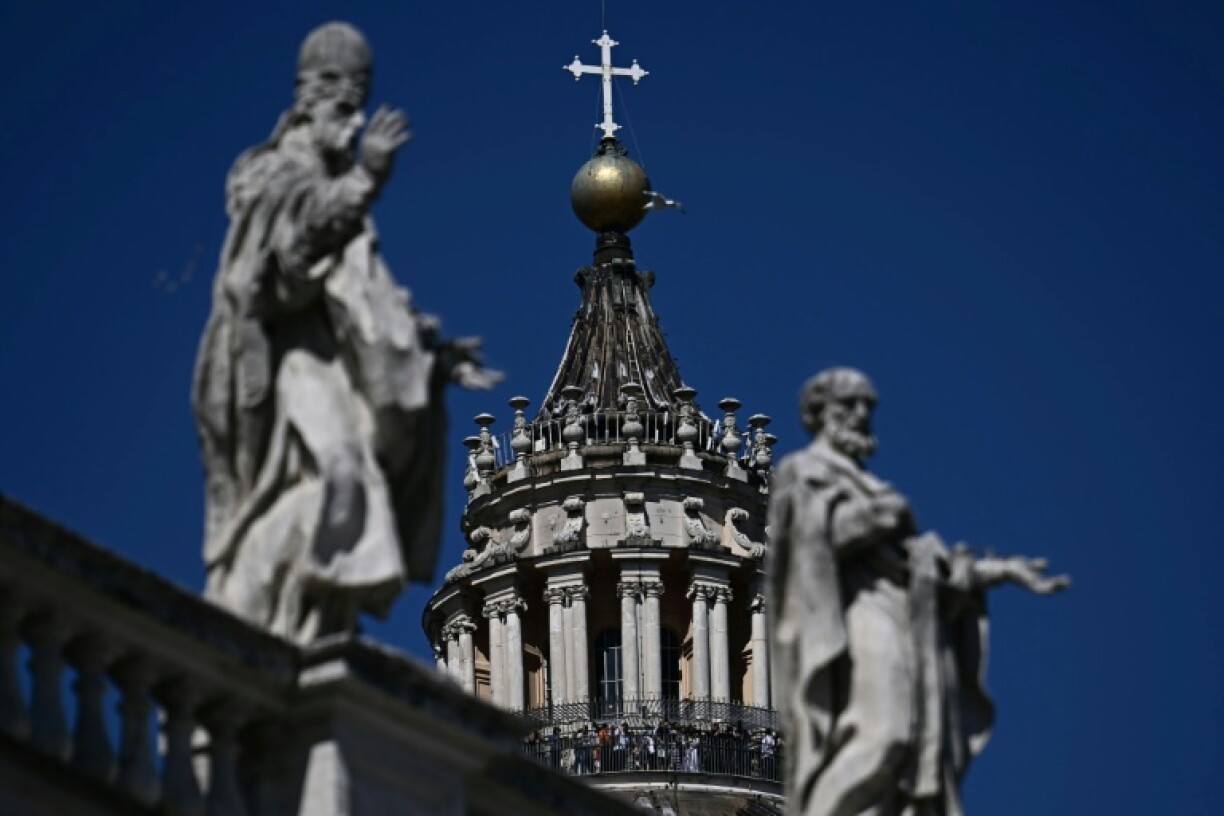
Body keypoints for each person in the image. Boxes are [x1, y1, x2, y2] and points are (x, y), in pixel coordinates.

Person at [192, 22, 499, 643]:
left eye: (358, 89)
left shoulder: (331, 184)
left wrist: (431, 353)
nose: (350, 103)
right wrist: (366, 181)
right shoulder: (273, 171)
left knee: (353, 480)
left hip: (327, 354)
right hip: (287, 360)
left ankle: (313, 625)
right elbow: (287, 265)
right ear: (307, 91)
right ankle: (284, 624)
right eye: (336, 86)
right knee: (337, 470)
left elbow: (363, 297)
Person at [767, 368, 1068, 815]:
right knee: (885, 734)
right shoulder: (804, 471)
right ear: (818, 413)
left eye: (867, 405)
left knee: (907, 743)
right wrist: (875, 520)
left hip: (903, 617)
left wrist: (1001, 570)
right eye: (848, 405)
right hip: (857, 617)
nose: (861, 415)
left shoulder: (870, 486)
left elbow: (922, 565)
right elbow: (810, 549)